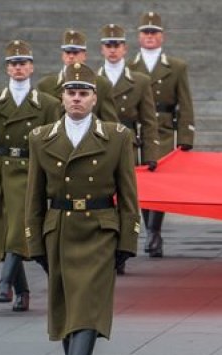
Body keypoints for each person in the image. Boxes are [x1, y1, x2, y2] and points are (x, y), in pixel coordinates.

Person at [25, 63, 139, 355]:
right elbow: (34, 196)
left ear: (94, 99)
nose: (77, 98)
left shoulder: (117, 136)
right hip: (59, 229)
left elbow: (129, 194)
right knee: (65, 311)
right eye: (71, 92)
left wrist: (128, 240)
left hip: (100, 230)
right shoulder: (41, 137)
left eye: (84, 93)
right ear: (61, 97)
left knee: (87, 306)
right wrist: (35, 243)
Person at [0, 40, 61, 312]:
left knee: (18, 226)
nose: (18, 67)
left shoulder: (47, 104)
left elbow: (52, 146)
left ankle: (4, 283)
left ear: (32, 67)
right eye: (13, 63)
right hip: (2, 170)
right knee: (13, 228)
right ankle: (22, 291)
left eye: (23, 63)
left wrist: (53, 181)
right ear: (7, 69)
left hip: (32, 170)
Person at [129, 11, 195, 258]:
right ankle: (151, 231)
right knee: (145, 184)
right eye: (145, 32)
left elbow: (185, 103)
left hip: (165, 128)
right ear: (139, 36)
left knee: (159, 183)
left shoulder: (176, 67)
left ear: (162, 37)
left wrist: (186, 137)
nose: (149, 36)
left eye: (154, 32)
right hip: (138, 130)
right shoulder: (129, 67)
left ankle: (154, 231)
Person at [98, 23, 160, 274]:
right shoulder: (93, 79)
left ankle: (123, 250)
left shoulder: (140, 80)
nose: (112, 50)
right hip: (101, 144)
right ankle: (108, 248)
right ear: (102, 49)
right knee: (104, 200)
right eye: (108, 45)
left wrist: (151, 154)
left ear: (124, 48)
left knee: (127, 202)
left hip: (127, 144)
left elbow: (148, 120)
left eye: (117, 45)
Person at [36, 29, 118, 122]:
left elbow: (109, 122)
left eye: (75, 52)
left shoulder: (102, 84)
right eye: (67, 52)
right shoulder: (46, 85)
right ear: (62, 55)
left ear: (85, 55)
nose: (71, 56)